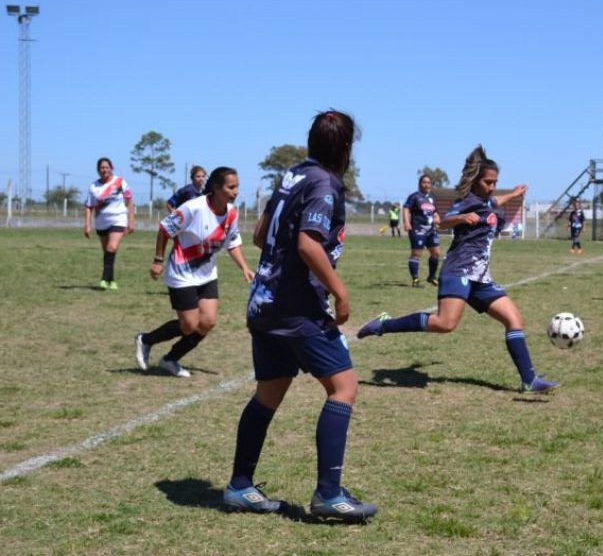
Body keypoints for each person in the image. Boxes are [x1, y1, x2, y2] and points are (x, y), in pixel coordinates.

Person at [224, 110, 376, 523]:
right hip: (297, 309)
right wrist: (339, 293)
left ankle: (241, 486)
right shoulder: (325, 183)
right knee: (343, 387)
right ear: (345, 148)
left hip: (264, 304)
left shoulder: (293, 175)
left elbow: (259, 235)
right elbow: (310, 244)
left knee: (268, 393)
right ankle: (329, 493)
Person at [357, 145, 560, 394]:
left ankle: (529, 380)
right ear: (475, 180)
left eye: (495, 182)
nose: (492, 187)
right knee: (445, 324)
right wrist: (463, 219)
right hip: (459, 270)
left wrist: (514, 194)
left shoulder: (486, 200)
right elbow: (445, 219)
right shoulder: (466, 202)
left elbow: (494, 201)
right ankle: (384, 325)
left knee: (514, 319)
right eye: (488, 182)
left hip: (481, 278)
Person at [134, 167, 254, 378]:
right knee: (189, 325)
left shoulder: (231, 213)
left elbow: (232, 243)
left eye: (237, 187)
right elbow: (165, 229)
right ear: (216, 188)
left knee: (207, 322)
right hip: (182, 273)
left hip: (207, 274)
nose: (235, 192)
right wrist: (158, 260)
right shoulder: (194, 208)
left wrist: (244, 267)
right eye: (231, 187)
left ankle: (170, 359)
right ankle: (146, 340)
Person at [83, 157, 135, 290]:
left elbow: (129, 201)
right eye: (102, 167)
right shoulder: (94, 186)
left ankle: (104, 279)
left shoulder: (120, 182)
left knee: (111, 248)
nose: (104, 170)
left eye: (107, 167)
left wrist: (131, 221)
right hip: (101, 222)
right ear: (98, 169)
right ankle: (112, 280)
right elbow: (89, 206)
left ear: (111, 167)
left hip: (118, 219)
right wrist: (87, 225)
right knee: (107, 252)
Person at [403, 174, 442, 287]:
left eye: (429, 182)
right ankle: (415, 280)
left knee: (436, 253)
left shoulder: (431, 198)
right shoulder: (414, 197)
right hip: (417, 229)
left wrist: (437, 217)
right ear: (420, 184)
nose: (427, 184)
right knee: (416, 254)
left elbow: (435, 212)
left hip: (431, 230)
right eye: (424, 182)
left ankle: (431, 277)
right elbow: (406, 208)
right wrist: (406, 222)